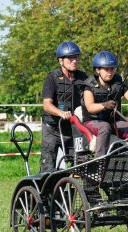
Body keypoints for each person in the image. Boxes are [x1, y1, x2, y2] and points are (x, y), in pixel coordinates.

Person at [81, 51, 128, 157]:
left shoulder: (117, 82)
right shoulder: (89, 85)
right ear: (98, 70)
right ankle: (100, 160)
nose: (110, 72)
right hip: (93, 122)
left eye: (112, 68)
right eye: (106, 69)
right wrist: (104, 105)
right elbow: (90, 107)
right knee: (105, 127)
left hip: (114, 121)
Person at [40, 41, 88, 172]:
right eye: (71, 57)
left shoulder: (83, 77)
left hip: (74, 129)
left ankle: (74, 191)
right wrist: (61, 113)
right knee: (48, 167)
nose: (74, 60)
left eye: (76, 57)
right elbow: (47, 105)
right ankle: (46, 191)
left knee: (81, 164)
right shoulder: (52, 77)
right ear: (61, 60)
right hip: (53, 129)